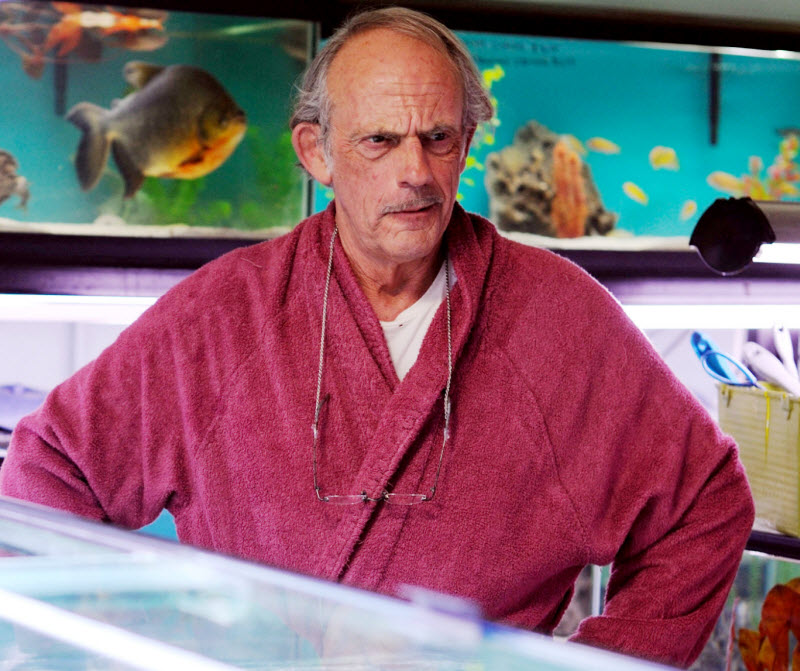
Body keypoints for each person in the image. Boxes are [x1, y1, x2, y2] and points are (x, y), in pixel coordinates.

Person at [0, 6, 753, 668]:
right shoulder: (224, 313)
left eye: (438, 137)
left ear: (467, 142)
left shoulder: (561, 320)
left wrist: (596, 666)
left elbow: (706, 502)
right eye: (380, 140)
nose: (415, 171)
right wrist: (151, 639)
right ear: (316, 152)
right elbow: (48, 468)